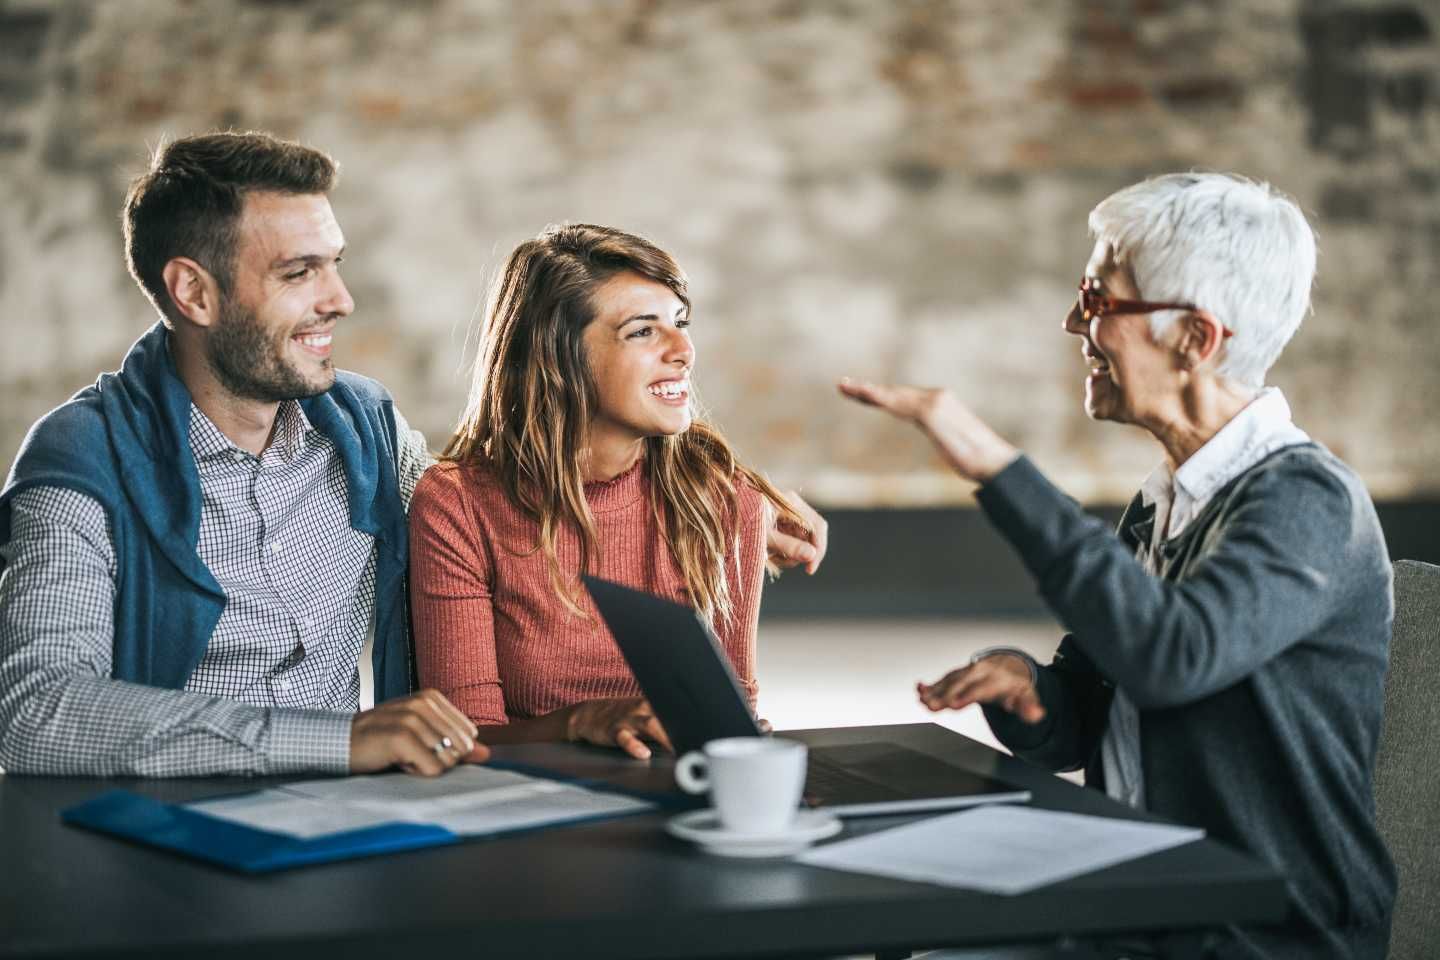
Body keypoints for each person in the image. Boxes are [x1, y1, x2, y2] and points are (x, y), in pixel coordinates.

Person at [0, 130, 829, 778]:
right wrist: (336, 740)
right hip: (153, 828)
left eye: (335, 265)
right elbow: (35, 713)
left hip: (346, 820)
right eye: (299, 272)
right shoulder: (83, 461)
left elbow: (498, 498)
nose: (340, 299)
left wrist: (737, 498)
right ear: (194, 292)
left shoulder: (365, 430)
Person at [840, 173, 1395, 958]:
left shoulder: (1308, 500)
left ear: (1195, 338)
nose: (1074, 322)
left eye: (1098, 300)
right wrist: (1033, 693)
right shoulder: (1168, 498)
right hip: (1138, 907)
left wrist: (997, 468)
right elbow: (1093, 722)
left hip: (1258, 935)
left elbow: (1173, 657)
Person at [409, 224, 808, 760]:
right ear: (560, 356)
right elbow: (464, 738)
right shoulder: (457, 503)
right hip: (518, 796)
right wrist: (581, 722)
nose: (684, 350)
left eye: (680, 323)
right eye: (642, 332)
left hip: (675, 793)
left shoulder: (726, 500)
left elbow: (729, 727)